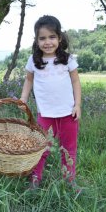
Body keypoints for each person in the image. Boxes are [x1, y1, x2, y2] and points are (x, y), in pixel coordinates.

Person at [19, 15, 82, 191]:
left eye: (52, 37)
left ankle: (69, 181)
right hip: (45, 114)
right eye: (42, 38)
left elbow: (76, 82)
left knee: (68, 149)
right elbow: (28, 81)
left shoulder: (67, 60)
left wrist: (77, 105)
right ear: (36, 40)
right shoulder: (34, 60)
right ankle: (35, 179)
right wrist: (23, 97)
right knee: (41, 148)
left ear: (59, 38)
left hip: (68, 113)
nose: (48, 42)